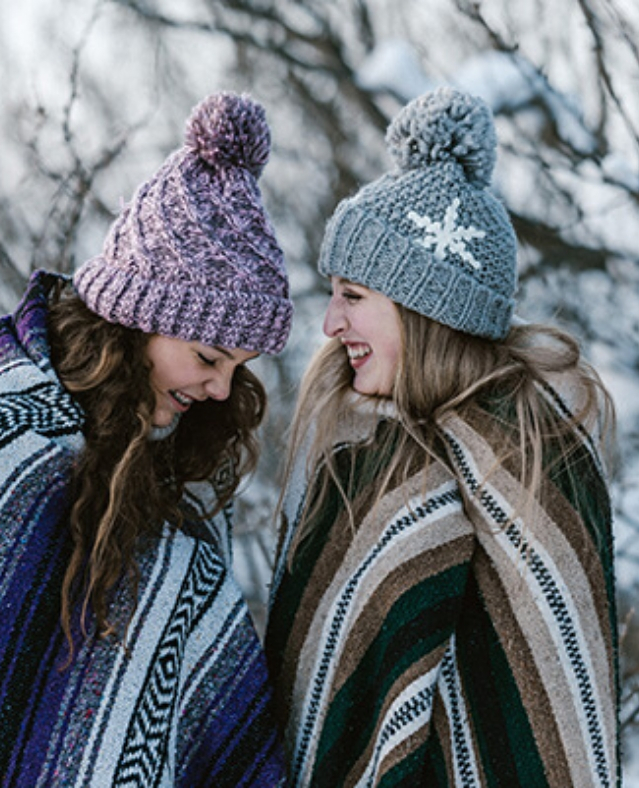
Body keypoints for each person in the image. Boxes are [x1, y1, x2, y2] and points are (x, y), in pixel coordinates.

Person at [0, 92, 293, 787]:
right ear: (138, 319)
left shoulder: (160, 466)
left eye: (239, 369)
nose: (220, 390)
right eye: (209, 357)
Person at [265, 87, 620, 787]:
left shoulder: (542, 461)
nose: (332, 324)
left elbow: (561, 717)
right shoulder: (364, 456)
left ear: (426, 308)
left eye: (354, 296)